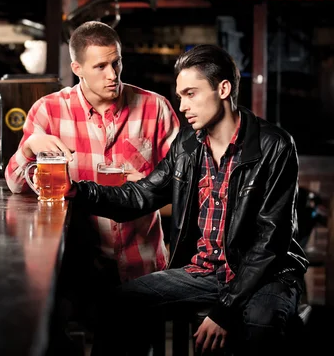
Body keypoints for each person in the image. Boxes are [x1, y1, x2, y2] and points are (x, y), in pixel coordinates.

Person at [66, 44, 309, 355]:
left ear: (223, 89)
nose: (182, 106)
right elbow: (143, 194)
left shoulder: (274, 145)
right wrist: (78, 190)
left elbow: (270, 241)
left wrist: (224, 309)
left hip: (265, 275)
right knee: (118, 302)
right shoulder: (188, 144)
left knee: (260, 325)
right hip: (203, 272)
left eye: (191, 94)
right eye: (180, 96)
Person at [4, 21, 180, 351]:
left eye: (117, 63)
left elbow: (186, 186)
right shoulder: (49, 110)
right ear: (77, 68)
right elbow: (16, 187)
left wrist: (147, 185)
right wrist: (27, 149)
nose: (112, 74)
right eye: (100, 66)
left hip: (139, 262)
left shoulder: (155, 109)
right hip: (76, 264)